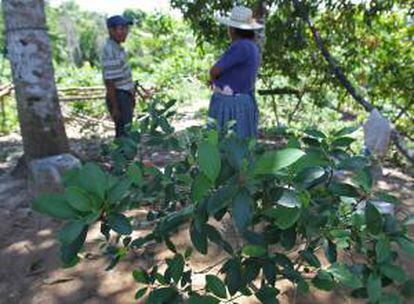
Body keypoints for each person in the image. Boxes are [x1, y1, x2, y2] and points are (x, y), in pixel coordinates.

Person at [208, 6, 263, 139]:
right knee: (241, 142)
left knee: (225, 142)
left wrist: (212, 78)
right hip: (244, 99)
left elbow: (215, 70)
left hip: (230, 103)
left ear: (232, 29)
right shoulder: (253, 47)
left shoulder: (240, 46)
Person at [101, 15, 135, 138]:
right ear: (112, 30)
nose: (125, 32)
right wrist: (115, 106)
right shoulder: (110, 50)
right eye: (122, 28)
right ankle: (122, 156)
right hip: (119, 96)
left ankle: (124, 156)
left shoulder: (117, 48)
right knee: (124, 133)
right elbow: (110, 82)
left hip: (124, 94)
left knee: (125, 130)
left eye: (126, 28)